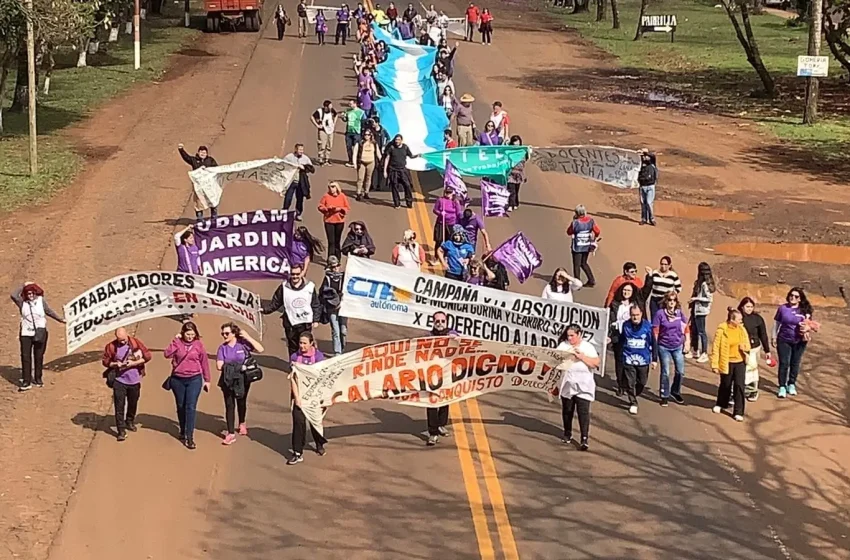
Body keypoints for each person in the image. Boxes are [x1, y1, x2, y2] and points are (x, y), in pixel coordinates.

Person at [164, 321, 210, 449]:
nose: (190, 337)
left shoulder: (198, 345)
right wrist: (175, 341)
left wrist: (207, 380)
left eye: (192, 334)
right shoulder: (177, 343)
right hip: (178, 379)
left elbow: (204, 362)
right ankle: (183, 430)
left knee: (190, 406)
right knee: (180, 406)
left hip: (194, 379)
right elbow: (166, 354)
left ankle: (189, 437)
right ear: (183, 333)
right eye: (187, 334)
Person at [216, 323, 265, 445]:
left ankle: (242, 422)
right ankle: (231, 433)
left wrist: (248, 337)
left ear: (234, 333)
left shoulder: (242, 344)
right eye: (222, 333)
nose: (224, 335)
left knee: (241, 401)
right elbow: (219, 365)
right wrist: (238, 367)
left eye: (227, 333)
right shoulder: (222, 348)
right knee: (229, 405)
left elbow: (260, 349)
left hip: (243, 379)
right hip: (227, 379)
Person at [11, 282, 65, 392]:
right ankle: (26, 381)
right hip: (26, 333)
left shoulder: (41, 301)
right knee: (25, 357)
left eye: (32, 293)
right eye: (27, 293)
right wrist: (24, 284)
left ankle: (38, 378)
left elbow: (49, 311)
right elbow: (13, 295)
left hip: (40, 332)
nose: (30, 295)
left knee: (39, 356)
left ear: (35, 293)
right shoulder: (22, 302)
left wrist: (60, 319)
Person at [101, 328, 152, 441]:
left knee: (133, 403)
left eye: (124, 340)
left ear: (127, 335)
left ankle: (129, 421)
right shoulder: (111, 347)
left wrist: (133, 363)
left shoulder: (136, 343)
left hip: (134, 380)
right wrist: (115, 364)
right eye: (120, 340)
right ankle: (121, 430)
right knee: (119, 406)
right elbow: (105, 361)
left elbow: (147, 356)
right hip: (119, 381)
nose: (122, 342)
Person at [554, 324, 599, 451]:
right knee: (567, 411)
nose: (570, 338)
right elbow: (555, 360)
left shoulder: (587, 347)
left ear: (579, 335)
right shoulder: (563, 346)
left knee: (583, 412)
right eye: (568, 335)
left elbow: (596, 363)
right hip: (567, 384)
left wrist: (582, 357)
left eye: (572, 335)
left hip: (584, 385)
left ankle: (584, 438)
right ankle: (567, 433)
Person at [263, 263, 321, 358]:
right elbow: (275, 303)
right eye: (293, 274)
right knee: (293, 347)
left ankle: (307, 364)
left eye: (297, 274)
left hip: (305, 323)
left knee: (305, 345)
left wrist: (316, 319)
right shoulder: (283, 287)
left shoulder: (310, 287)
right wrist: (264, 310)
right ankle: (294, 366)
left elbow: (315, 304)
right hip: (291, 323)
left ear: (302, 273)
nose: (295, 276)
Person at [288, 332, 328, 464]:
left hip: (315, 397)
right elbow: (292, 378)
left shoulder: (319, 357)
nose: (302, 346)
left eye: (305, 343)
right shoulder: (295, 357)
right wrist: (296, 398)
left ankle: (319, 444)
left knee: (315, 422)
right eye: (300, 343)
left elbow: (324, 378)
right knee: (298, 423)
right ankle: (297, 452)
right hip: (299, 395)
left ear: (311, 343)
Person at [773, 287, 816, 399]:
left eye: (796, 296)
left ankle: (791, 384)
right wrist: (773, 337)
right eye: (791, 295)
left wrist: (807, 328)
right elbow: (777, 324)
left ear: (800, 299)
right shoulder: (783, 308)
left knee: (795, 363)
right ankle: (782, 386)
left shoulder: (804, 310)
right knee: (784, 363)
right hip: (783, 339)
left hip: (799, 341)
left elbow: (810, 324)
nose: (793, 297)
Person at [711, 308, 751, 422]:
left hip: (739, 362)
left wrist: (745, 347)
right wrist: (715, 364)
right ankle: (721, 403)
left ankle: (738, 411)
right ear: (732, 320)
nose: (741, 321)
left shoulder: (742, 330)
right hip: (726, 362)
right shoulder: (722, 330)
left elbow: (747, 344)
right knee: (725, 384)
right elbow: (716, 347)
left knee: (739, 386)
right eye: (739, 319)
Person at [652, 292, 689, 407]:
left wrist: (687, 342)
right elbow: (655, 332)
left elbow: (686, 328)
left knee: (680, 371)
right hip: (664, 346)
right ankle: (664, 395)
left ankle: (675, 391)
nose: (671, 302)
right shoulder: (660, 314)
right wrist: (654, 348)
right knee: (666, 372)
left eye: (673, 300)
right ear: (666, 301)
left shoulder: (679, 314)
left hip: (677, 346)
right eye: (669, 300)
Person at [426, 312, 457, 445]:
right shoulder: (428, 337)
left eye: (442, 321)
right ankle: (433, 433)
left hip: (447, 374)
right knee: (432, 402)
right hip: (432, 374)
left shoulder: (453, 334)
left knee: (445, 399)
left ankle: (441, 424)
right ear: (433, 322)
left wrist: (455, 339)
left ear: (446, 322)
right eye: (437, 321)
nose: (439, 324)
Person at [608, 282, 642, 397]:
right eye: (624, 290)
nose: (626, 292)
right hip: (619, 336)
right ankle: (620, 385)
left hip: (633, 337)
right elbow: (609, 320)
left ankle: (630, 383)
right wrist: (609, 335)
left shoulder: (636, 305)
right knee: (620, 362)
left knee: (632, 361)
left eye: (629, 291)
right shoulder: (615, 304)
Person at [620, 305, 655, 415]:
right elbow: (621, 340)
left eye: (637, 315)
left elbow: (654, 343)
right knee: (631, 382)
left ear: (641, 314)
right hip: (629, 359)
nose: (635, 317)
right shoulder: (626, 325)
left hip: (643, 360)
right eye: (633, 315)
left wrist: (654, 359)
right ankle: (633, 402)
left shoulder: (648, 326)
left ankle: (634, 392)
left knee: (642, 382)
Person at [738, 297, 771, 402]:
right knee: (739, 371)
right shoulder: (737, 317)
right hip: (740, 349)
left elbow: (763, 335)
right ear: (742, 307)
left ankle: (753, 391)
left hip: (754, 349)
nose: (749, 309)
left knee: (752, 370)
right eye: (747, 306)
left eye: (751, 307)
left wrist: (767, 351)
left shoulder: (757, 319)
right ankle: (738, 391)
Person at [178, 143, 219, 222]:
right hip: (199, 187)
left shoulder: (210, 160)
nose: (202, 154)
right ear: (198, 152)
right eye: (201, 152)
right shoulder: (194, 160)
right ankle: (200, 220)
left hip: (209, 186)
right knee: (198, 204)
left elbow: (217, 169)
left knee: (213, 202)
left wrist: (207, 170)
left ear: (206, 153)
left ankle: (214, 220)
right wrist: (181, 149)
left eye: (204, 152)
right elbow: (186, 157)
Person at [566, 204, 600, 288]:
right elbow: (597, 231)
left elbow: (569, 232)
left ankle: (577, 283)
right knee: (584, 263)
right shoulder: (591, 221)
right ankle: (591, 280)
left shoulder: (575, 222)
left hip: (577, 246)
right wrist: (594, 238)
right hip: (587, 245)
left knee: (576, 265)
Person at [687, 262, 715, 363]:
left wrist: (695, 299)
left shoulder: (704, 284)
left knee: (701, 332)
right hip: (697, 309)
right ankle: (695, 350)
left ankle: (704, 353)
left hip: (701, 311)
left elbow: (709, 298)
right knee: (694, 330)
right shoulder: (700, 283)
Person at [319, 256, 347, 355]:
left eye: (337, 266)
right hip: (332, 308)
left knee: (343, 330)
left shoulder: (344, 277)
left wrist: (341, 302)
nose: (335, 269)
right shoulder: (327, 278)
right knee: (335, 330)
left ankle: (342, 347)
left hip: (343, 307)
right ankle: (337, 352)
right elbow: (322, 293)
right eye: (333, 267)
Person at [282, 143, 315, 221]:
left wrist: (304, 167)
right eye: (300, 149)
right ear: (295, 149)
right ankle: (284, 212)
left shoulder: (306, 158)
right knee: (288, 198)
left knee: (300, 199)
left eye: (302, 150)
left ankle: (298, 214)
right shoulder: (289, 157)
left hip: (301, 182)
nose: (301, 151)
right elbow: (282, 165)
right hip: (291, 181)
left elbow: (312, 169)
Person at [318, 181, 350, 260]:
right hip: (329, 221)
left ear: (337, 188)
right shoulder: (326, 196)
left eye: (333, 187)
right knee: (331, 241)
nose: (331, 189)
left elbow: (347, 207)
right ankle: (330, 259)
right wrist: (327, 209)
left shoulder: (342, 196)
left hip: (339, 221)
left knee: (337, 241)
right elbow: (320, 206)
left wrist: (340, 209)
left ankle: (338, 259)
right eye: (330, 187)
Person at [383, 134, 415, 209]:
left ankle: (409, 203)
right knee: (394, 186)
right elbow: (387, 159)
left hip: (402, 170)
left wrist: (418, 156)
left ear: (401, 140)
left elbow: (411, 156)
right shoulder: (391, 148)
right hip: (393, 170)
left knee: (407, 186)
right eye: (396, 140)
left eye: (398, 140)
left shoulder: (405, 147)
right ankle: (397, 203)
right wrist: (385, 171)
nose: (397, 141)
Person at [432, 189, 464, 262]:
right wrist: (440, 213)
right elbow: (434, 210)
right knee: (439, 240)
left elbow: (458, 213)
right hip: (441, 223)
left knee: (449, 241)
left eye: (449, 192)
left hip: (451, 224)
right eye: (447, 192)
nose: (448, 194)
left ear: (452, 193)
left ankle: (446, 256)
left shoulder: (455, 201)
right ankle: (436, 257)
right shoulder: (440, 200)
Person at [646, 255, 682, 320]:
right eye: (662, 264)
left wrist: (672, 295)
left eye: (665, 264)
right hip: (654, 300)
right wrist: (649, 275)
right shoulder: (655, 273)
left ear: (669, 265)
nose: (663, 266)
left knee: (665, 319)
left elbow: (679, 288)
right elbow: (649, 285)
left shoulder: (673, 275)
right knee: (654, 319)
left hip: (666, 300)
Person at [356, 128, 381, 201]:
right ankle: (358, 192)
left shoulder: (374, 143)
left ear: (371, 135)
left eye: (368, 135)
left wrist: (382, 161)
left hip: (371, 162)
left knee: (368, 177)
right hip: (362, 162)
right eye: (365, 135)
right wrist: (355, 163)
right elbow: (355, 153)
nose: (366, 136)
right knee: (360, 178)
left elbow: (378, 153)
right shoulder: (360, 143)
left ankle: (366, 192)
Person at [311, 101, 337, 166]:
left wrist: (334, 123)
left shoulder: (331, 110)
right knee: (322, 145)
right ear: (326, 107)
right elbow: (312, 117)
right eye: (330, 106)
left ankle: (327, 159)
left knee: (330, 145)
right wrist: (317, 125)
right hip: (322, 130)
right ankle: (321, 159)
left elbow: (336, 115)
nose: (331, 107)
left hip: (330, 130)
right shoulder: (319, 111)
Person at [342, 99, 366, 168]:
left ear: (355, 104)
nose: (350, 105)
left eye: (351, 104)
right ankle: (351, 161)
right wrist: (343, 117)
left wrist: (363, 132)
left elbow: (364, 121)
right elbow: (345, 119)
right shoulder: (347, 111)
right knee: (348, 147)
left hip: (357, 132)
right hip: (349, 131)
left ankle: (357, 161)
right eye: (349, 104)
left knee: (357, 147)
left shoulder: (361, 112)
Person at [638, 149, 658, 226]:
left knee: (649, 203)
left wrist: (645, 153)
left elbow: (652, 156)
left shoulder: (652, 163)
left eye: (645, 156)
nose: (644, 157)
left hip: (650, 186)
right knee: (643, 203)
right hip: (642, 186)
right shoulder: (640, 164)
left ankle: (651, 219)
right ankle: (644, 219)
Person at [506, 135, 525, 212]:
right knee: (511, 190)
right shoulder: (509, 151)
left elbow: (526, 159)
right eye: (514, 142)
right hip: (511, 173)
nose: (516, 144)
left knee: (516, 190)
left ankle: (515, 203)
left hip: (519, 174)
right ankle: (510, 205)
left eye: (517, 142)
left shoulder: (523, 151)